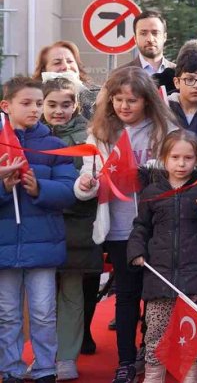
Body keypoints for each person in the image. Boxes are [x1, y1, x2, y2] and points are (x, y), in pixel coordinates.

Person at [74, 66, 177, 383]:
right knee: (128, 294)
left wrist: (150, 169)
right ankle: (126, 360)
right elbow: (87, 175)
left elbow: (180, 165)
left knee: (156, 295)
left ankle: (152, 353)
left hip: (157, 225)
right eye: (118, 99)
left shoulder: (164, 129)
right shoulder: (100, 132)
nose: (124, 106)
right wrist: (86, 185)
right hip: (120, 226)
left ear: (147, 100)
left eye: (132, 100)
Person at [127, 131, 197, 383]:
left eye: (188, 158)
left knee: (192, 331)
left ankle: (191, 375)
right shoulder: (152, 191)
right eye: (175, 157)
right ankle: (154, 376)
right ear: (164, 158)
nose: (181, 164)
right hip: (160, 275)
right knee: (156, 330)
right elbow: (141, 226)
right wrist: (136, 251)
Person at [0, 77, 77, 383]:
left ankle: (46, 368)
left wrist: (39, 189)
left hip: (44, 243)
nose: (34, 109)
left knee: (44, 312)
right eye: (26, 103)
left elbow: (69, 190)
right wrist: (4, 188)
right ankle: (11, 369)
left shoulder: (54, 146)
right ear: (6, 106)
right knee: (8, 314)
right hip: (4, 244)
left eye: (38, 103)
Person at [42, 78, 99, 381]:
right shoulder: (29, 135)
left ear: (76, 105)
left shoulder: (89, 138)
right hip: (40, 226)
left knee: (72, 293)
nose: (59, 111)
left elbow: (92, 181)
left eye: (66, 104)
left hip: (76, 226)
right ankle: (44, 357)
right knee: (41, 298)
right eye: (52, 104)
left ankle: (66, 357)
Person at [32, 40, 102, 119]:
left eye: (70, 61)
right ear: (44, 70)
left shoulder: (98, 95)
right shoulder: (33, 99)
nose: (66, 66)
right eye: (57, 63)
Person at [125, 10, 175, 75]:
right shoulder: (121, 75)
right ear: (135, 38)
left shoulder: (180, 74)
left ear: (164, 37)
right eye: (143, 33)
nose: (150, 39)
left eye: (155, 33)